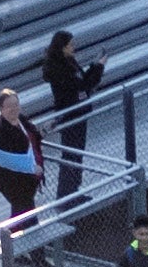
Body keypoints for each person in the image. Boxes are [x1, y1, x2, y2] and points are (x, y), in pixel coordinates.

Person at [40, 30, 103, 199]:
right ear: (62, 47)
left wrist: (96, 67)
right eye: (70, 45)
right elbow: (80, 86)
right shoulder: (59, 68)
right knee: (71, 154)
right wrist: (98, 68)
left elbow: (83, 83)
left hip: (77, 112)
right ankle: (67, 193)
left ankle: (72, 191)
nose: (73, 48)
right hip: (70, 115)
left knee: (76, 154)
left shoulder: (69, 62)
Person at [0, 87, 45, 230]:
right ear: (1, 109)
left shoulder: (21, 120)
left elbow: (34, 135)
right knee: (27, 216)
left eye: (16, 105)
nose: (14, 109)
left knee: (20, 215)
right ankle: (36, 249)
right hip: (12, 181)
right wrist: (32, 167)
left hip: (27, 180)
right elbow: (7, 159)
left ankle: (11, 243)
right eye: (9, 107)